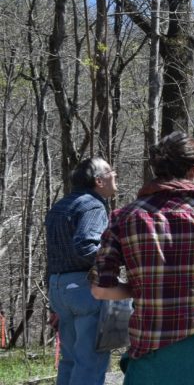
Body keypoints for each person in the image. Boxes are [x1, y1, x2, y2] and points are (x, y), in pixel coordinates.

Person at [90, 132, 194, 384]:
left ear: (156, 169)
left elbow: (101, 290)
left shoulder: (124, 218)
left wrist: (144, 287)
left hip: (152, 355)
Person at [45, 157, 117, 385]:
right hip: (84, 289)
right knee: (90, 362)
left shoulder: (60, 206)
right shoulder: (93, 205)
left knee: (71, 360)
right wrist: (115, 260)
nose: (115, 175)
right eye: (111, 173)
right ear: (99, 181)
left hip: (59, 288)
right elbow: (86, 245)